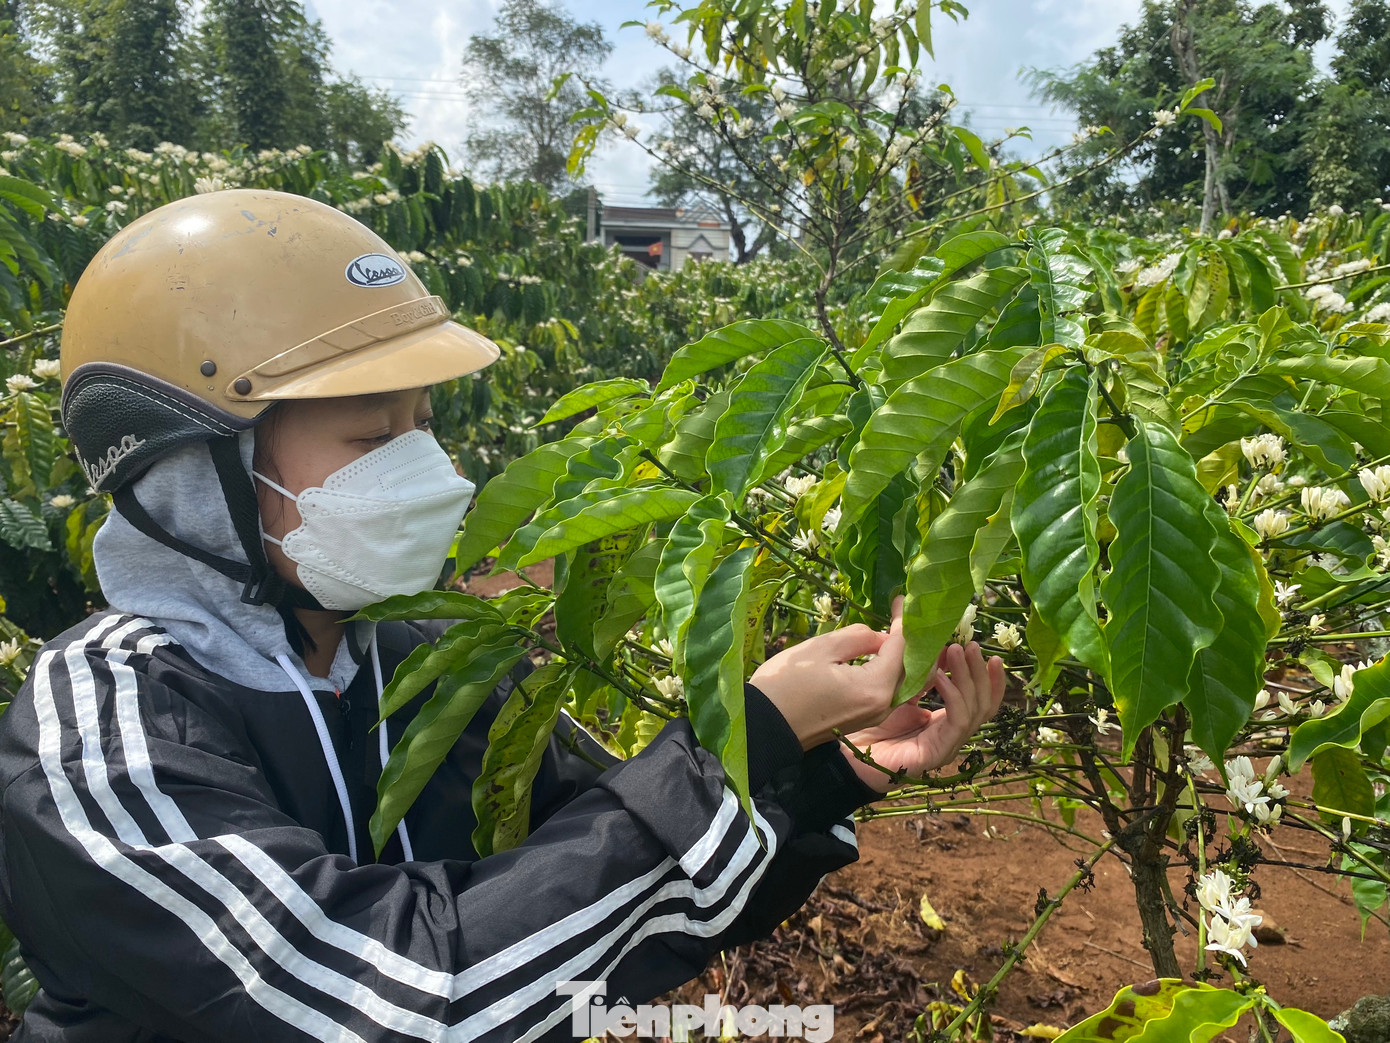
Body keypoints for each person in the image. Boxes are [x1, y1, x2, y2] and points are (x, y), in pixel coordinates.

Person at [0, 189, 1005, 1042]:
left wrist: (825, 768)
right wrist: (743, 729)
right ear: (187, 473)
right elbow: (397, 1002)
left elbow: (614, 910)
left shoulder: (426, 658)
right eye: (368, 434)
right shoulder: (104, 725)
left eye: (421, 429)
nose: (426, 473)